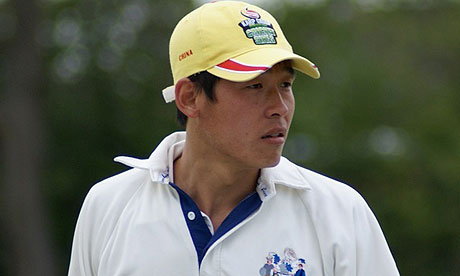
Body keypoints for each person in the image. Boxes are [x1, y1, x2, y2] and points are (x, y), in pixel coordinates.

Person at [68, 1, 400, 275]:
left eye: (285, 85)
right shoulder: (108, 205)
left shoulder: (341, 214)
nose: (279, 108)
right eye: (254, 86)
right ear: (189, 98)